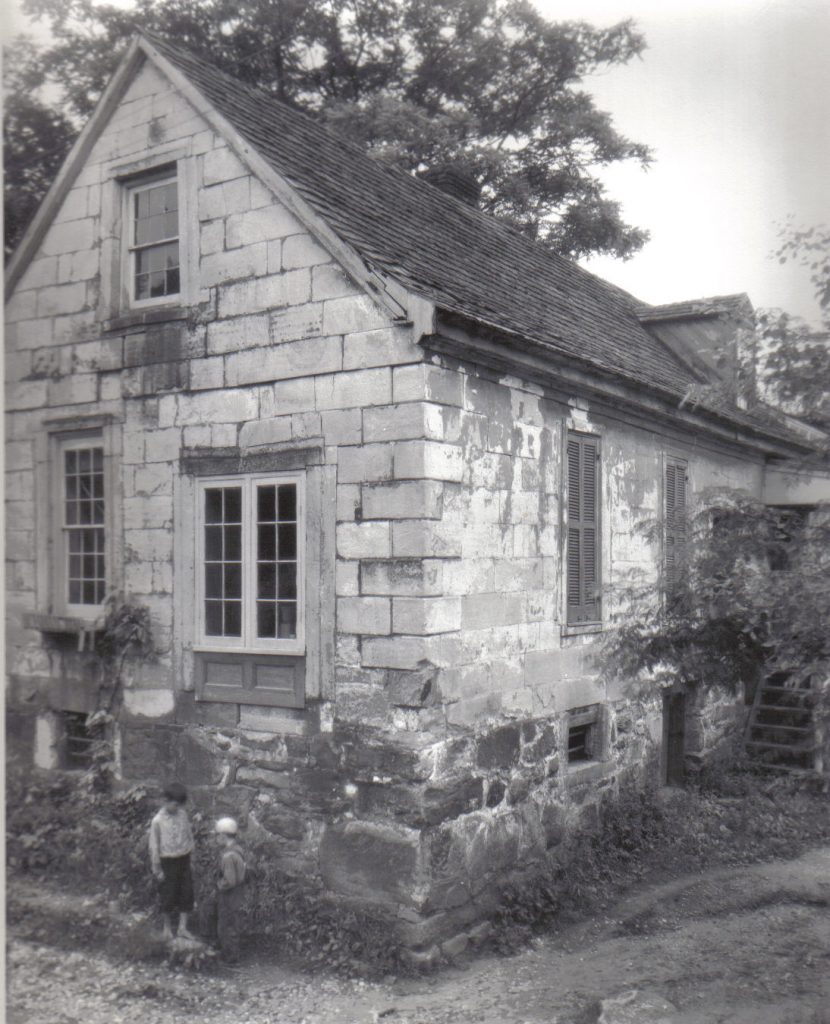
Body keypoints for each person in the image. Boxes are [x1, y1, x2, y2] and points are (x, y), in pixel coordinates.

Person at [148, 781, 196, 942]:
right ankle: (167, 928)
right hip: (167, 862)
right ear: (165, 801)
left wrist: (191, 857)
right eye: (175, 805)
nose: (177, 808)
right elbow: (154, 846)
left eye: (180, 805)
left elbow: (189, 835)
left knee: (186, 892)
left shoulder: (182, 815)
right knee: (168, 894)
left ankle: (182, 928)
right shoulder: (157, 821)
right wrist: (157, 869)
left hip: (184, 859)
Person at [213, 817, 247, 962]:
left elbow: (230, 881)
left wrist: (219, 884)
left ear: (223, 835)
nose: (216, 838)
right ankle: (232, 953)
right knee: (233, 923)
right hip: (238, 893)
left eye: (217, 835)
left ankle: (230, 957)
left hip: (229, 895)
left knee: (226, 925)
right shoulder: (238, 850)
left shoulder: (228, 856)